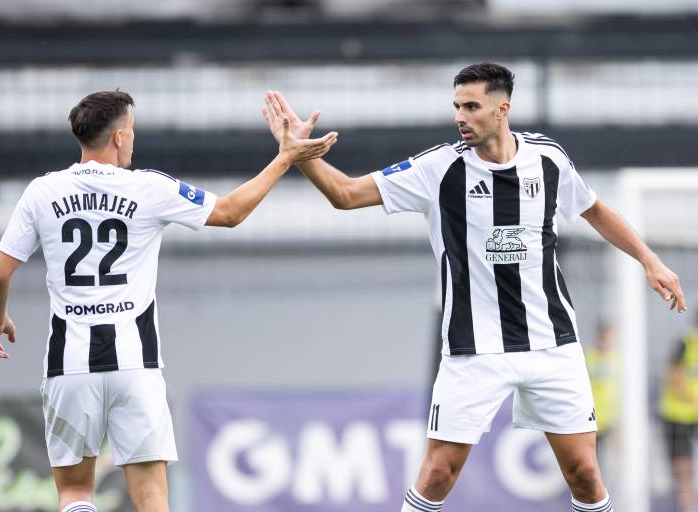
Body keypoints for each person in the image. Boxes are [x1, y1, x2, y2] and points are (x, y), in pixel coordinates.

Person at [261, 63, 687, 512]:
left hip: (551, 343)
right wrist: (298, 154)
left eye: (471, 106)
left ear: (503, 109)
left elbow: (593, 209)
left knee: (584, 473)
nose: (460, 117)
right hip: (473, 350)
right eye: (456, 106)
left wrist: (649, 259)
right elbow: (345, 194)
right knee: (437, 473)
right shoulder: (438, 168)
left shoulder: (548, 159)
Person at [0, 90, 337, 512]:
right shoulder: (148, 188)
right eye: (131, 131)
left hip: (69, 364)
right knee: (152, 497)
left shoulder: (42, 192)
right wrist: (284, 158)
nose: (133, 139)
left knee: (75, 492)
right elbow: (230, 212)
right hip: (135, 364)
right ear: (118, 137)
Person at [659, 315, 698, 512]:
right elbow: (673, 379)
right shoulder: (684, 345)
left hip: (693, 415)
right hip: (677, 416)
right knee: (683, 468)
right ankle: (688, 507)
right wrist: (692, 399)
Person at [585, 322, 619, 473]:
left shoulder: (618, 359)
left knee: (613, 463)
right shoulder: (588, 357)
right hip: (591, 419)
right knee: (592, 462)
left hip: (612, 420)